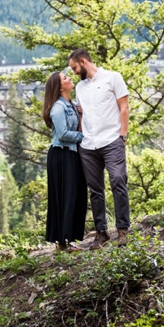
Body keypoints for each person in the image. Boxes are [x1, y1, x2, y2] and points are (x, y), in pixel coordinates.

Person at [67, 49, 130, 249]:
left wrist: (123, 136)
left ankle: (122, 230)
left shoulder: (113, 78)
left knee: (118, 180)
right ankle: (101, 234)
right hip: (88, 145)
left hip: (112, 140)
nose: (74, 72)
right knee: (95, 191)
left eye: (75, 68)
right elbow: (82, 114)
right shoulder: (80, 88)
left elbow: (124, 107)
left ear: (83, 62)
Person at [41, 71, 88, 253]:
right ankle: (63, 241)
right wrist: (84, 137)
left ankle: (71, 239)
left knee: (76, 195)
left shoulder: (72, 105)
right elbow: (62, 134)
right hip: (61, 155)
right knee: (64, 196)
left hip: (73, 154)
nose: (70, 78)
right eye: (65, 78)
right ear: (60, 87)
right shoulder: (58, 108)